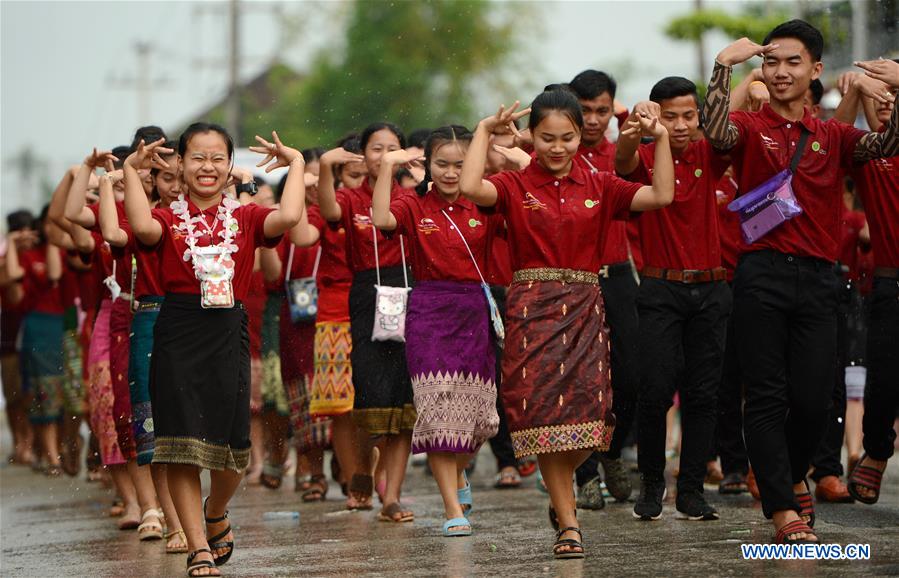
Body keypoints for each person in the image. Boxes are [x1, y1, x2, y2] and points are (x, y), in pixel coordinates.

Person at [702, 20, 899, 543]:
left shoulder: (834, 135)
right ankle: (783, 508)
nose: (780, 72)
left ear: (815, 70)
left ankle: (790, 473)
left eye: (793, 62)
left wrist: (898, 87)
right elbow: (715, 131)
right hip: (760, 274)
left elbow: (885, 144)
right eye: (772, 62)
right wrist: (723, 68)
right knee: (766, 396)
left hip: (819, 281)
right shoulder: (749, 126)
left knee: (813, 399)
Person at [460, 89, 674, 558]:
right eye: (547, 138)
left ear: (580, 135)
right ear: (531, 137)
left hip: (584, 308)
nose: (557, 148)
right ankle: (569, 522)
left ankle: (564, 498)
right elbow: (471, 188)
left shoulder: (600, 184)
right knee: (542, 416)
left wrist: (658, 140)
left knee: (587, 419)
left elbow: (660, 195)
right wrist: (481, 132)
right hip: (531, 311)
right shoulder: (516, 186)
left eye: (568, 138)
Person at [123, 124, 303, 577]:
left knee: (233, 448)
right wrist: (129, 169)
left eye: (217, 158)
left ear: (229, 166)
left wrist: (297, 163)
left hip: (229, 332)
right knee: (180, 445)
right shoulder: (166, 218)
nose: (208, 167)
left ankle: (216, 509)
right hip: (177, 331)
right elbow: (141, 228)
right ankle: (198, 548)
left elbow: (289, 216)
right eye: (198, 158)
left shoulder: (245, 217)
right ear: (180, 164)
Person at [372, 125, 501, 537]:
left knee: (480, 418)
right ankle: (452, 508)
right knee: (437, 411)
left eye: (459, 165)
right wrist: (388, 168)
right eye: (441, 164)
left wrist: (511, 156)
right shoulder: (414, 204)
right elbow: (381, 218)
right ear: (427, 165)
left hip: (474, 313)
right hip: (428, 312)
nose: (449, 173)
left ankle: (460, 475)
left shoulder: (485, 201)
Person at [616, 77, 732, 521]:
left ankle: (692, 489)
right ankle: (651, 482)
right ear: (655, 115)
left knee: (704, 395)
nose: (680, 125)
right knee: (656, 391)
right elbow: (623, 159)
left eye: (689, 115)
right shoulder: (646, 155)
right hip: (660, 288)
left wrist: (739, 77)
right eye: (670, 115)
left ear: (700, 116)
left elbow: (730, 117)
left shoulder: (711, 153)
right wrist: (639, 130)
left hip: (712, 288)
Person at [317, 123, 418, 523]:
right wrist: (325, 166)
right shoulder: (349, 197)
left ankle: (391, 495)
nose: (386, 155)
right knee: (368, 393)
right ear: (363, 156)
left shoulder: (412, 198)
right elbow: (326, 211)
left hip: (410, 290)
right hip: (365, 295)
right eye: (378, 149)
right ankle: (361, 466)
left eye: (394, 147)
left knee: (404, 399)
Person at [568, 69, 640, 507]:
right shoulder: (557, 154)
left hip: (617, 276)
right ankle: (584, 472)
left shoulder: (621, 154)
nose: (593, 120)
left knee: (629, 376)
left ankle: (612, 451)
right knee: (577, 378)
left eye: (602, 111)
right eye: (585, 110)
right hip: (571, 280)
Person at [835, 62, 899, 505]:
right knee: (884, 378)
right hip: (889, 283)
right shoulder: (869, 155)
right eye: (880, 102)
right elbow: (828, 147)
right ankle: (876, 452)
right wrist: (856, 90)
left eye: (894, 99)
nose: (888, 107)